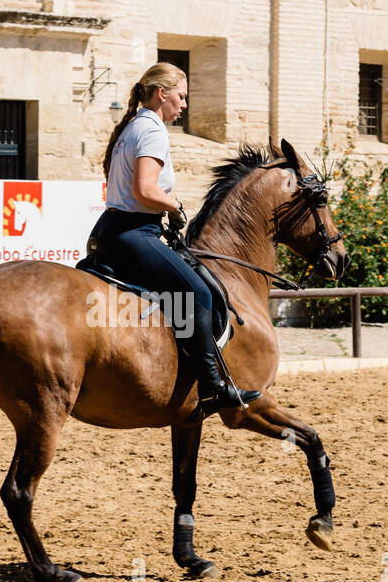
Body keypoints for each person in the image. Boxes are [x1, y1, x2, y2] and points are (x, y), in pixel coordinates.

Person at [85, 61, 260, 415]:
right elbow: (145, 189)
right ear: (161, 94)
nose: (184, 104)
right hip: (133, 232)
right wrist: (175, 204)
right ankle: (213, 387)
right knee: (196, 293)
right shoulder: (152, 131)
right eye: (180, 96)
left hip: (110, 229)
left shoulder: (133, 126)